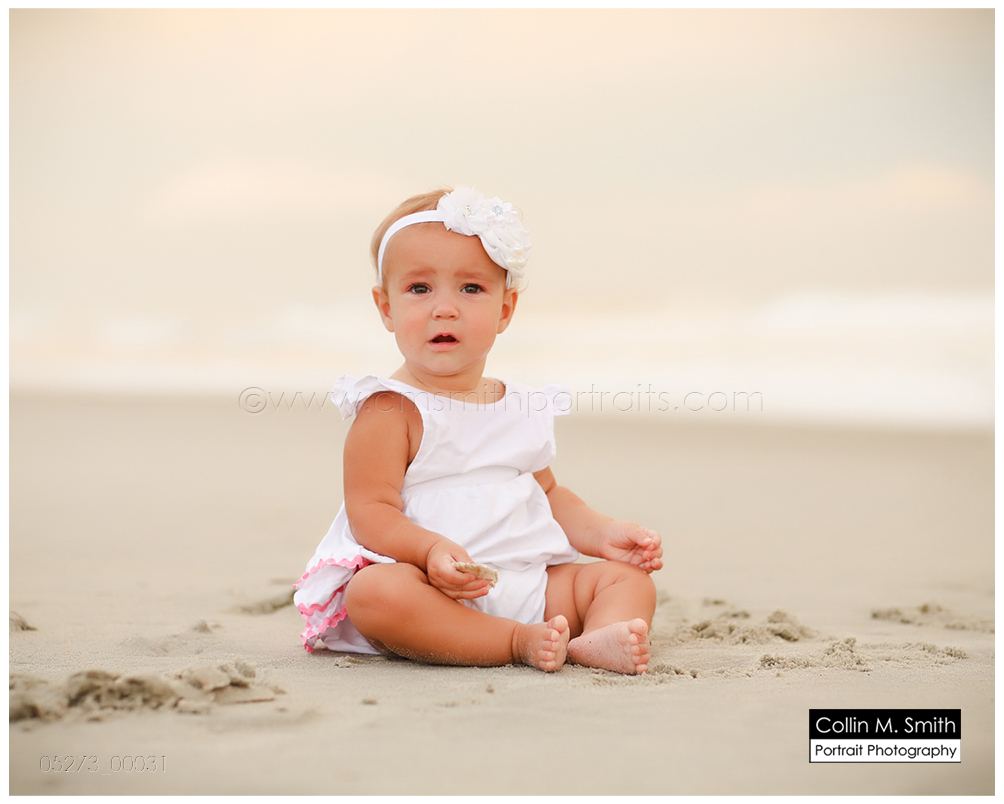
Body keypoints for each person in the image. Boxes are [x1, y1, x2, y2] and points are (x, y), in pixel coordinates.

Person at [294, 186, 662, 674]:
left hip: (528, 582)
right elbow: (370, 512)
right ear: (386, 308)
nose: (444, 308)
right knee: (374, 594)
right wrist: (428, 551)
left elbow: (549, 494)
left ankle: (596, 639)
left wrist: (603, 533)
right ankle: (514, 642)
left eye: (471, 289)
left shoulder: (520, 404)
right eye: (419, 289)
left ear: (505, 309)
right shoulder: (389, 409)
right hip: (431, 588)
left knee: (626, 580)